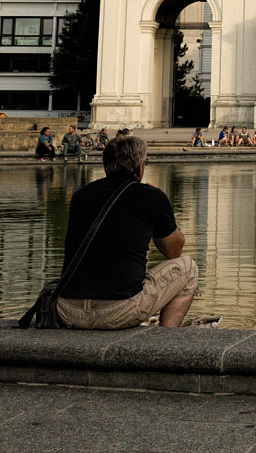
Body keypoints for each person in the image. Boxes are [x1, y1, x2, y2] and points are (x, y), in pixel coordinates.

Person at [55, 135, 199, 329]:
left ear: (106, 166)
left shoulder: (80, 195)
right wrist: (161, 213)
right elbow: (174, 252)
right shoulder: (151, 197)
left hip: (67, 309)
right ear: (140, 168)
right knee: (188, 268)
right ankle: (167, 338)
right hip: (118, 311)